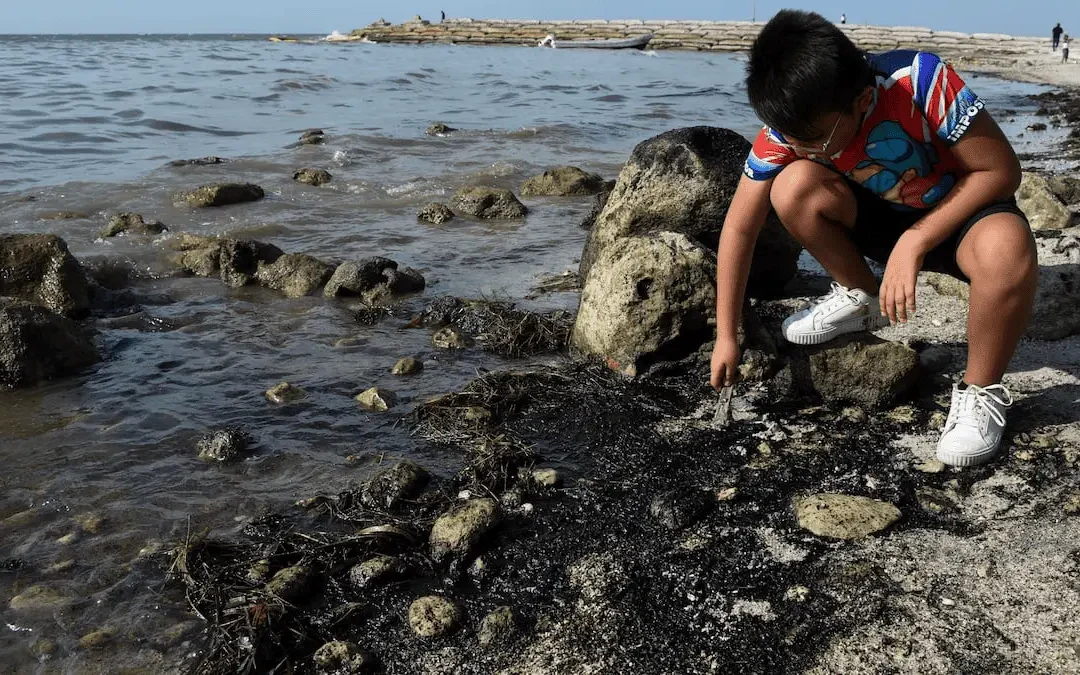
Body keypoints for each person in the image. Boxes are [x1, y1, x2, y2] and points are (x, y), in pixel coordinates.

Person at [710, 10, 1036, 467]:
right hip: (879, 220)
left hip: (963, 214)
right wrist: (728, 334)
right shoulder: (795, 125)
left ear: (862, 100)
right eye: (789, 136)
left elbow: (1001, 171)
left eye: (814, 138)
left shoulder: (920, 80)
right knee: (792, 187)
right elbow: (738, 228)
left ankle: (980, 391)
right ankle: (862, 295)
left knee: (1007, 248)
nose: (799, 147)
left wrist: (915, 242)